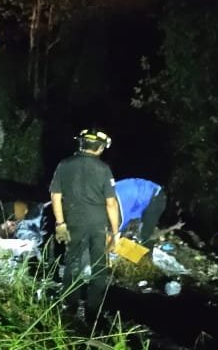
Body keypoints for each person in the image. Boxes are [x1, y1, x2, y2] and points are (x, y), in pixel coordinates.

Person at [49, 129, 120, 318]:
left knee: (72, 262)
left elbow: (55, 196)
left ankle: (70, 306)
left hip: (73, 221)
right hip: (97, 224)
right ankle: (93, 310)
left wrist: (60, 223)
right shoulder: (104, 169)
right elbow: (111, 203)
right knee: (98, 265)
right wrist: (115, 232)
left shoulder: (64, 164)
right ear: (100, 148)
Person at [114, 178, 166, 244]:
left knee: (144, 235)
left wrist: (116, 234)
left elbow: (121, 221)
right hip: (140, 198)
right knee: (129, 230)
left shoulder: (121, 199)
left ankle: (146, 251)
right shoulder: (112, 191)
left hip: (156, 198)